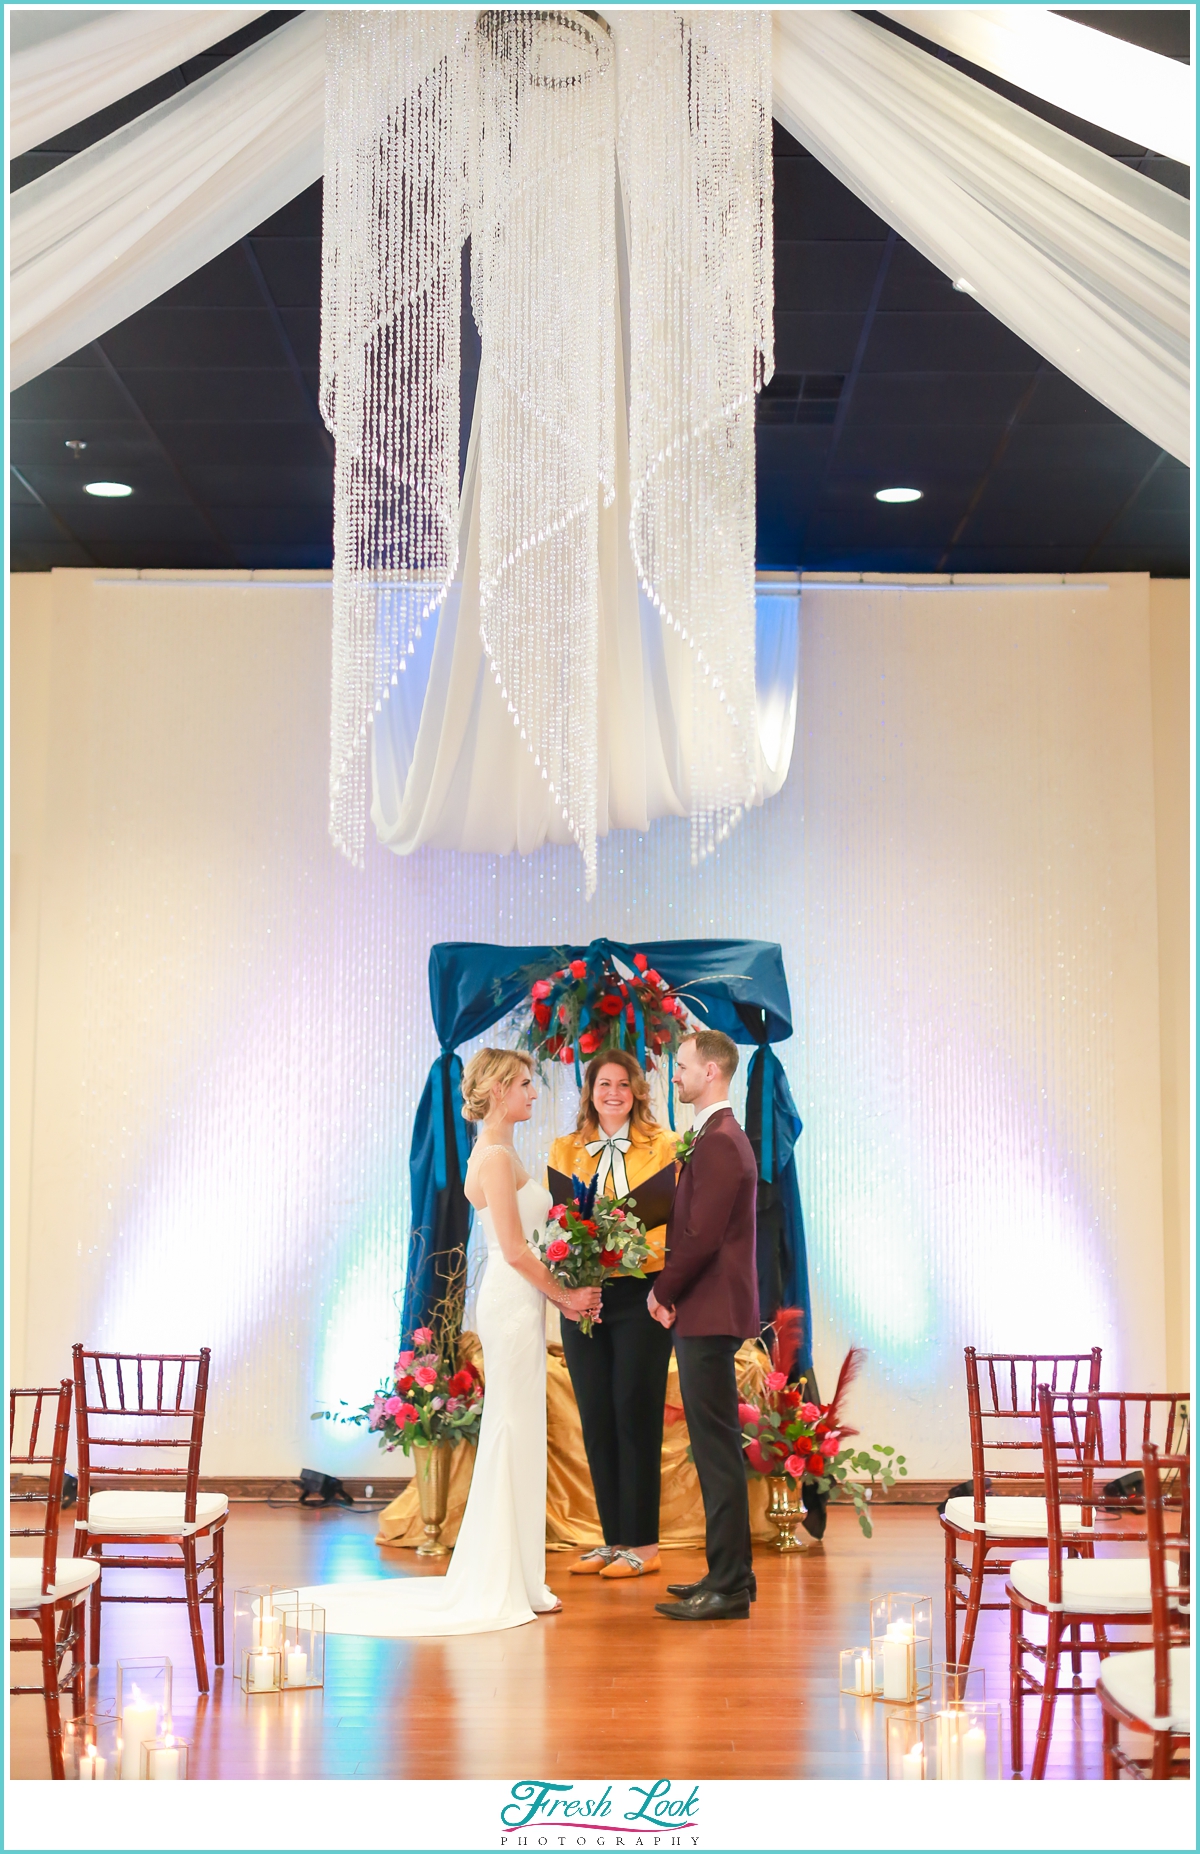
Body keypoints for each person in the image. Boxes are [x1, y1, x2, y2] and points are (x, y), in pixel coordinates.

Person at [297, 1048, 600, 1638]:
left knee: (519, 1430)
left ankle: (522, 1573)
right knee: (512, 1429)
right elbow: (514, 1251)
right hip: (512, 1306)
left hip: (517, 1303)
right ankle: (505, 1577)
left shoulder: (497, 1151)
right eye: (525, 1084)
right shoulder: (491, 1157)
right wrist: (565, 1296)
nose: (533, 1094)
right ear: (497, 1091)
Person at [548, 1049, 679, 1581]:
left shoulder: (664, 1145)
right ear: (590, 1090)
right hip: (585, 1295)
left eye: (623, 1084)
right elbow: (563, 1221)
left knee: (635, 1412)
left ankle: (644, 1545)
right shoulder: (564, 1149)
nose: (613, 1093)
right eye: (604, 1083)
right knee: (597, 1416)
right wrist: (574, 1277)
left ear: (637, 1092)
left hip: (640, 1293)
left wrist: (609, 1228)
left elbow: (666, 1218)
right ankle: (612, 1540)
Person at [649, 1029, 760, 1622]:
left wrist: (663, 1291)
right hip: (710, 1309)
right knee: (714, 1446)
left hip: (708, 1310)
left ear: (711, 1072)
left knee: (715, 1450)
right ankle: (732, 1574)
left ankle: (729, 1586)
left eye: (683, 1066)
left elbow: (700, 1238)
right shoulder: (715, 1136)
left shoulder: (718, 1141)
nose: (676, 1075)